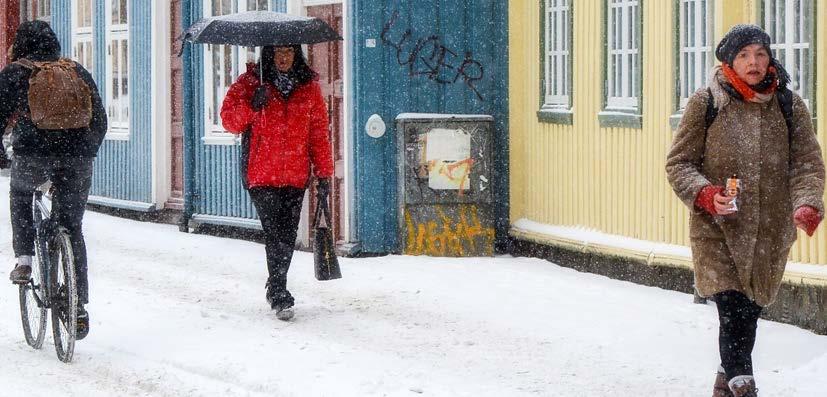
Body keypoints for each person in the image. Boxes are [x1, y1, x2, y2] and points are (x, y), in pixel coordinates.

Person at [666, 24, 825, 397]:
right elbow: (679, 164)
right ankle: (743, 387)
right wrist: (706, 194)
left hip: (770, 231)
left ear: (770, 57)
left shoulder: (788, 104)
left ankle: (726, 381)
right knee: (732, 308)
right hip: (718, 230)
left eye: (760, 54)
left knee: (748, 315)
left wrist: (806, 202)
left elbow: (807, 163)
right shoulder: (706, 103)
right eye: (744, 55)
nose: (753, 63)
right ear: (729, 62)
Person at [0, 21, 107, 339]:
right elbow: (99, 118)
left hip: (33, 156)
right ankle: (78, 307)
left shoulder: (17, 72)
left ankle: (24, 260)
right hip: (78, 158)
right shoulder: (74, 70)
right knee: (71, 227)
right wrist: (86, 149)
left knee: (20, 192)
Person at [221, 45, 333, 320]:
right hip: (261, 174)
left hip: (295, 175)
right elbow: (229, 121)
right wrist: (251, 106)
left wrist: (324, 173)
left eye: (288, 52)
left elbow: (319, 133)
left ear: (297, 55)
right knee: (275, 233)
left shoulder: (309, 88)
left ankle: (275, 284)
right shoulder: (251, 83)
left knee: (287, 234)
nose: (283, 58)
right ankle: (280, 292)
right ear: (268, 55)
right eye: (277, 52)